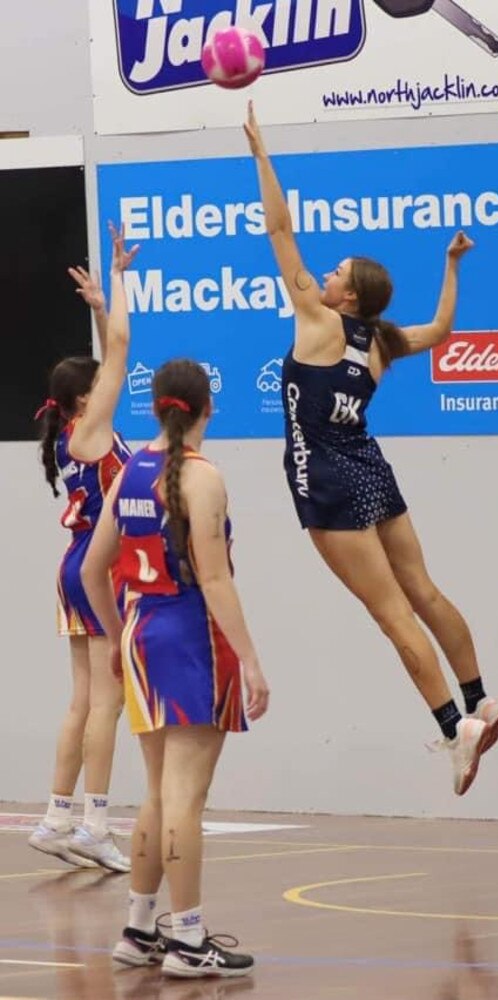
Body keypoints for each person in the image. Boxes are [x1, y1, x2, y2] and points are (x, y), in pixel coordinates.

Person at [243, 101, 498, 795]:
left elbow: (278, 228)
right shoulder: (382, 342)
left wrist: (263, 157)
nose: (324, 277)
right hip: (370, 465)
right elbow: (445, 330)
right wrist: (452, 265)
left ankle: (457, 728)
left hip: (328, 478)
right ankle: (480, 696)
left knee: (391, 613)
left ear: (349, 295)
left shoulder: (316, 319)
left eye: (335, 274)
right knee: (423, 589)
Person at [82, 359, 269, 979]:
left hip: (140, 633)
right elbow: (214, 580)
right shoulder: (200, 477)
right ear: (206, 409)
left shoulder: (130, 468)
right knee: (187, 796)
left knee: (160, 791)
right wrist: (251, 660)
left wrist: (114, 638)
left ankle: (139, 929)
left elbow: (90, 571)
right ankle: (188, 940)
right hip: (191, 636)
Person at [29, 226, 139, 873]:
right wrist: (120, 285)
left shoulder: (77, 429)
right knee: (109, 701)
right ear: (82, 398)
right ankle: (96, 823)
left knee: (82, 700)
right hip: (101, 569)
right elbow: (122, 348)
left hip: (73, 566)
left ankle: (55, 817)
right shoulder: (91, 430)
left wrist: (98, 307)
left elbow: (110, 350)